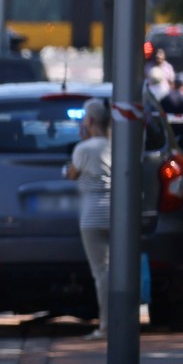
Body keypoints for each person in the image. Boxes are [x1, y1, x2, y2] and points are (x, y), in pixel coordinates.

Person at [65, 98, 113, 338]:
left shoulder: (84, 149)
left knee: (101, 272)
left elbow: (71, 174)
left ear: (91, 121)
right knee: (120, 268)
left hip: (92, 216)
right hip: (118, 214)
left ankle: (105, 325)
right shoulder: (118, 145)